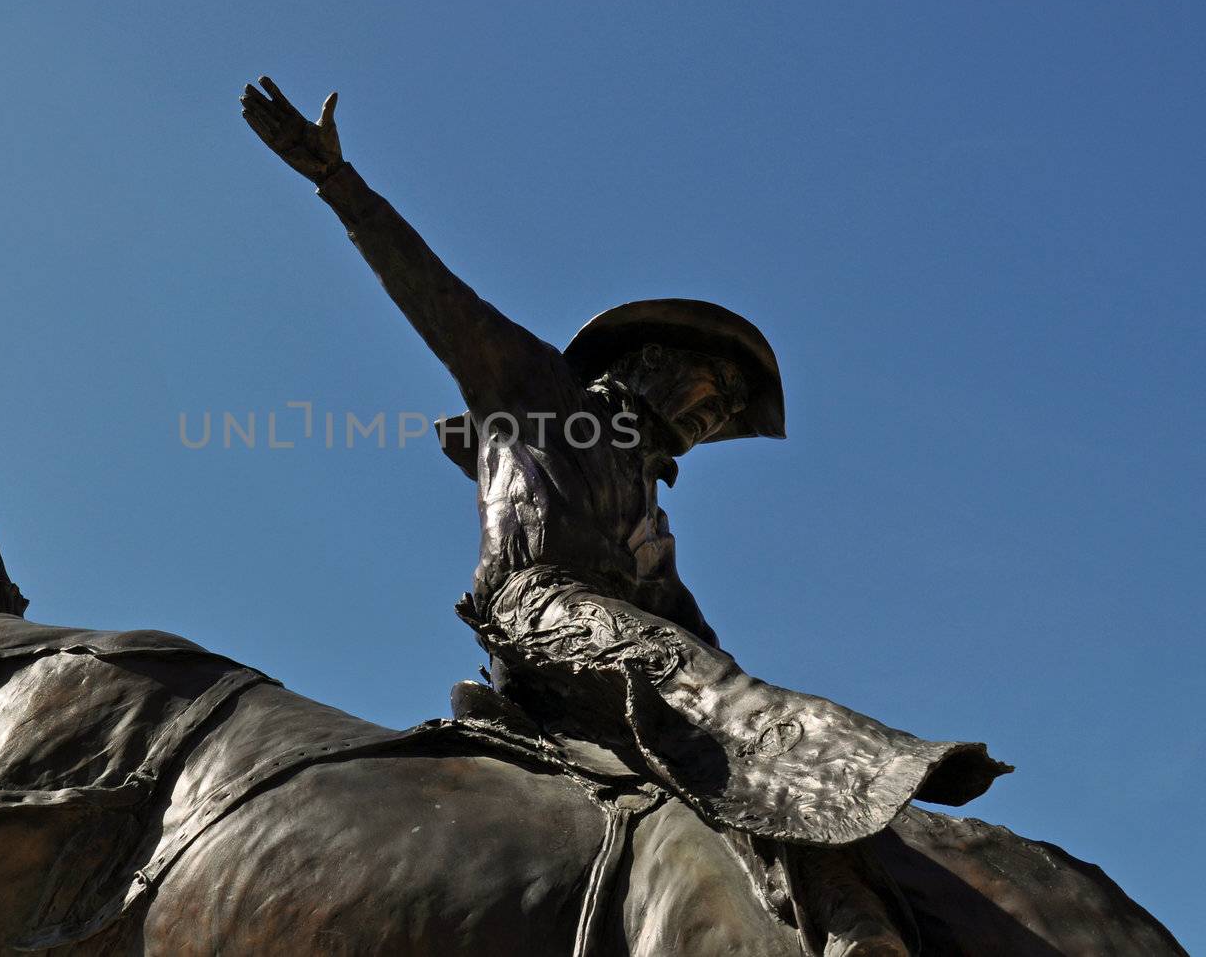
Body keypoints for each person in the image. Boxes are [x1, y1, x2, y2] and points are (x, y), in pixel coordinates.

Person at [241, 77, 1008, 956]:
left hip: (631, 643)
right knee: (717, 693)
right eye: (711, 391)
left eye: (724, 416)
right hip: (540, 606)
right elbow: (436, 295)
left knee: (732, 728)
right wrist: (341, 186)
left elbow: (697, 637)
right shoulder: (538, 393)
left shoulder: (652, 515)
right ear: (645, 363)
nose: (711, 417)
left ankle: (833, 905)